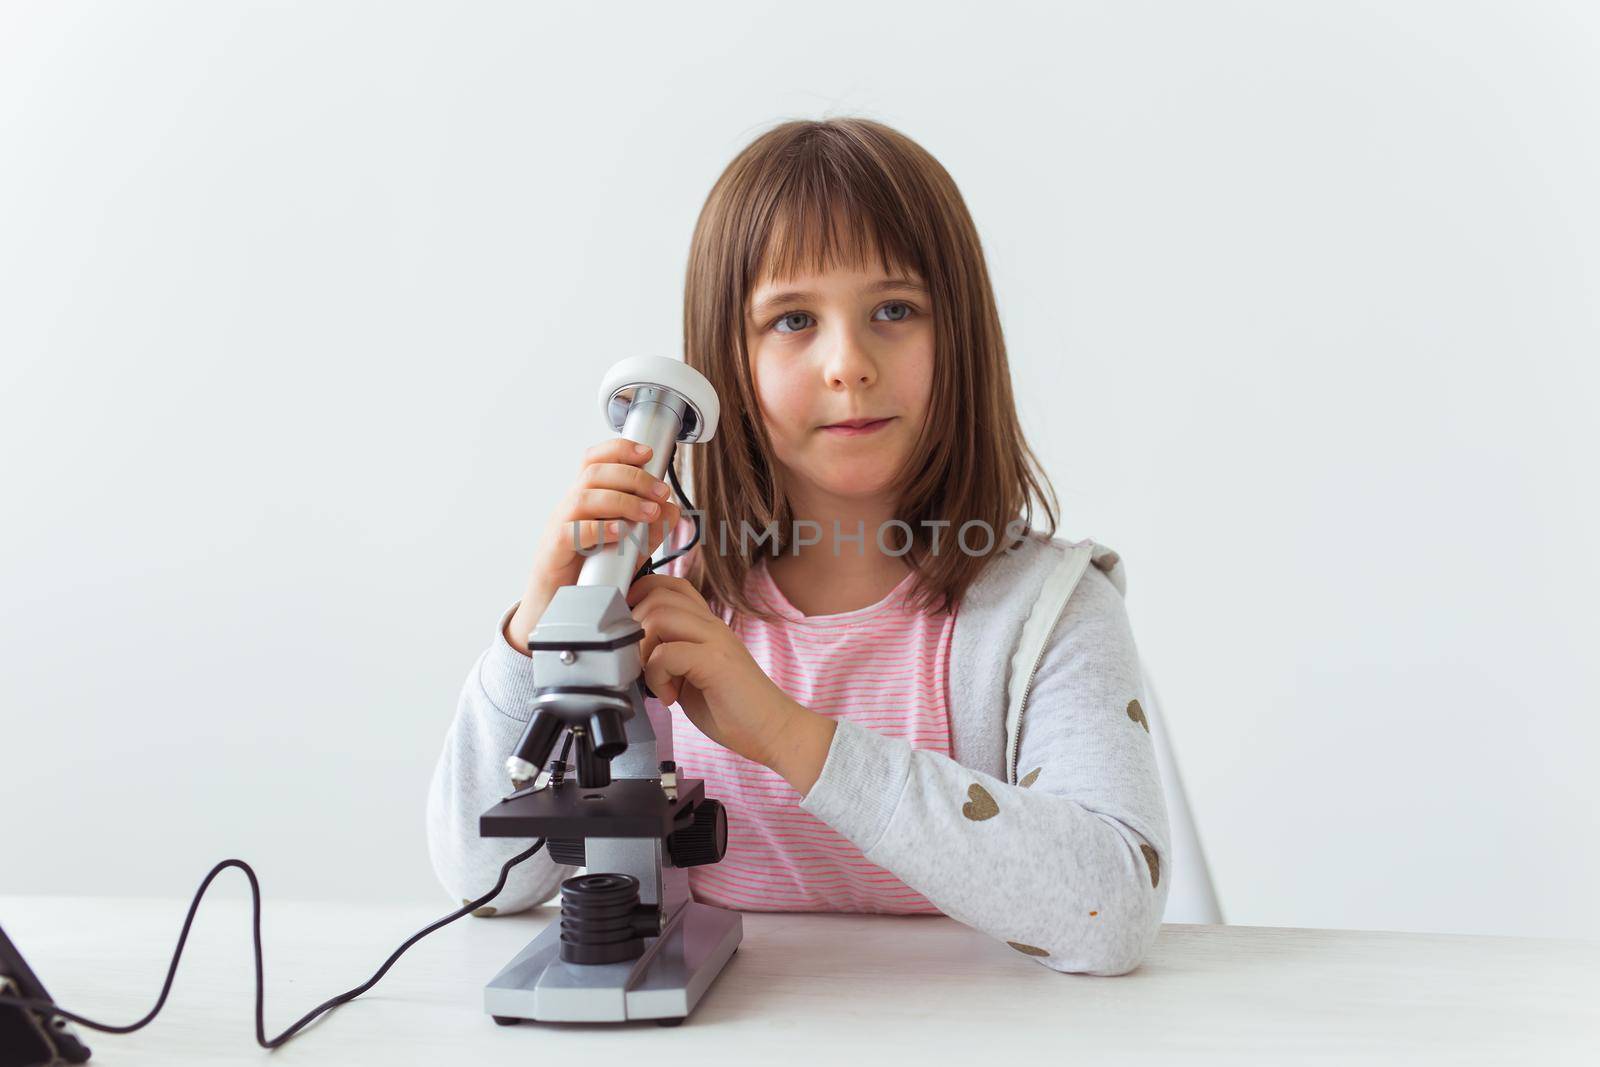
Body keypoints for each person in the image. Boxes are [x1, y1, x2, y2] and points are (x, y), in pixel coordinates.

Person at [427, 117, 1170, 975]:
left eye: (895, 310)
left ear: (958, 337)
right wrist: (538, 632)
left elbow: (1110, 912)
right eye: (792, 320)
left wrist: (786, 734)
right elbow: (480, 878)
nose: (847, 362)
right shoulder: (659, 610)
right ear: (725, 364)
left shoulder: (1053, 611)